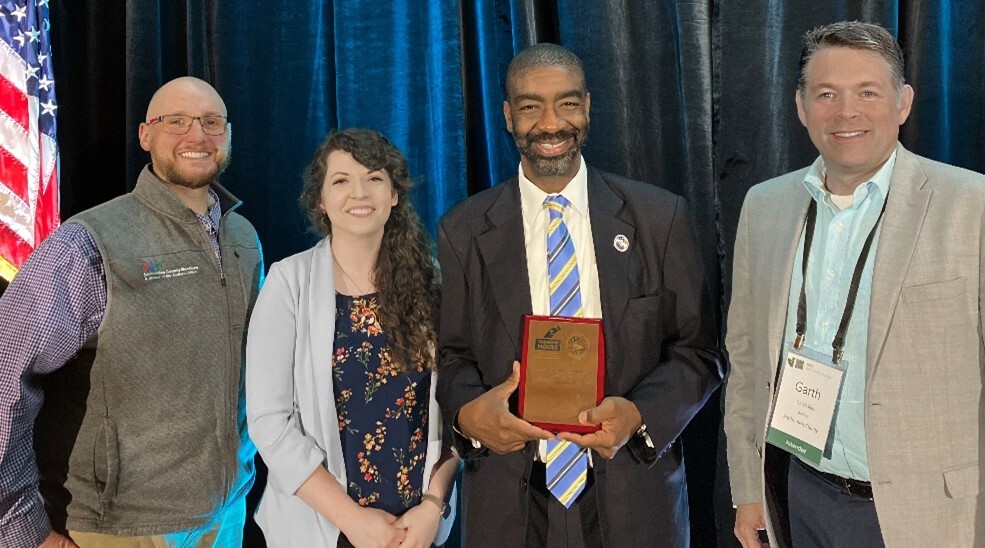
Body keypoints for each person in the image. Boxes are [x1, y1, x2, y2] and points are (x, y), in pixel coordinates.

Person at [436, 43, 722, 547]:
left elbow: (698, 352)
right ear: (508, 116)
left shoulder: (659, 218)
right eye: (530, 106)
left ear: (588, 108)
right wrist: (467, 415)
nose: (551, 123)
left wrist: (640, 415)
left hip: (633, 490)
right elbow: (453, 355)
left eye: (566, 103)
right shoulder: (463, 230)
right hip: (511, 501)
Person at [725, 20, 985, 548]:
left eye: (868, 92)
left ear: (903, 102)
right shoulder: (764, 207)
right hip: (800, 497)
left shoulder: (971, 206)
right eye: (826, 94)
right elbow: (747, 358)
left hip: (935, 514)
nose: (846, 112)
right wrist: (747, 488)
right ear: (800, 106)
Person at [0, 76, 262, 547]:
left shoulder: (243, 237)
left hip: (227, 515)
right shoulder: (89, 243)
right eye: (176, 121)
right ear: (145, 135)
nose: (197, 135)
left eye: (211, 121)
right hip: (123, 528)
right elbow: (5, 373)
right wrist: (20, 527)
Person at [246, 128, 459, 548]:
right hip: (325, 529)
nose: (359, 192)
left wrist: (434, 506)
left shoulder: (432, 280)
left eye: (374, 178)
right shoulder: (289, 282)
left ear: (394, 194)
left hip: (419, 529)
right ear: (321, 201)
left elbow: (456, 408)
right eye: (341, 181)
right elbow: (269, 423)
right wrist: (354, 522)